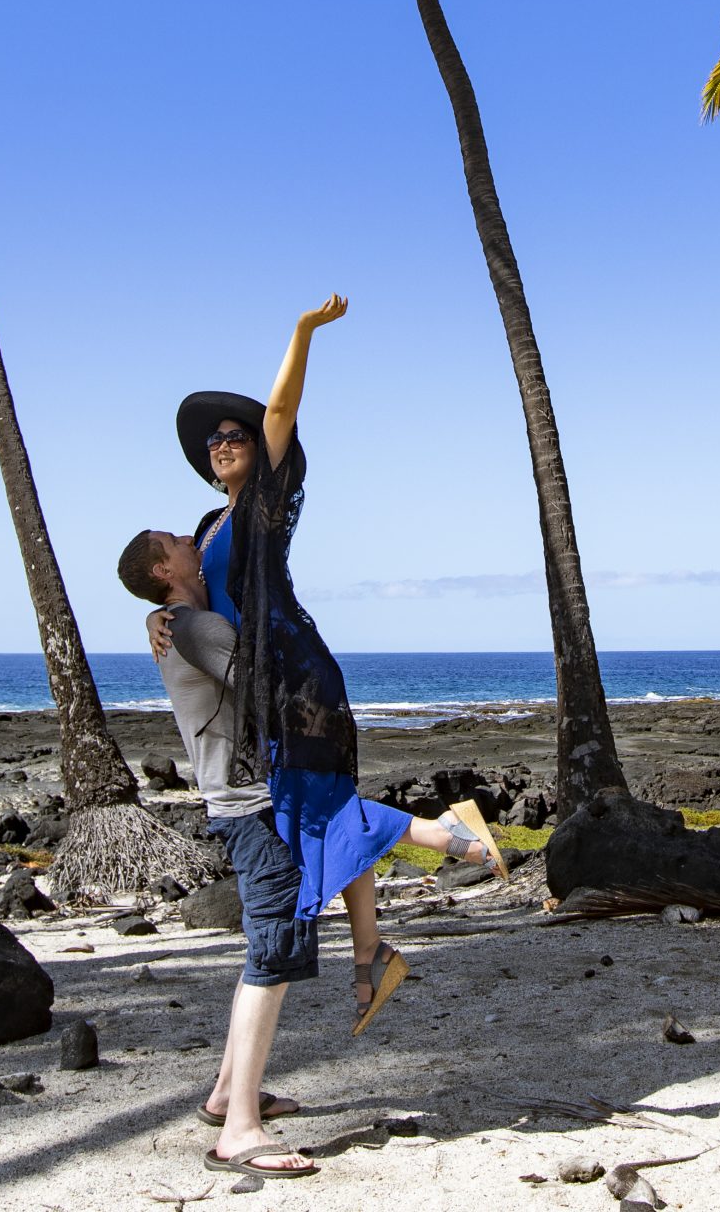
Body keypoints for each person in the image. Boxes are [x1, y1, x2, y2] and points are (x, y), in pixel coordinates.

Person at [173, 294, 508, 1034]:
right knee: (322, 814)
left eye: (234, 434)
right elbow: (190, 603)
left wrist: (300, 332)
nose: (222, 444)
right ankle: (371, 955)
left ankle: (450, 839)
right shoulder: (205, 525)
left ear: (259, 449)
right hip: (260, 690)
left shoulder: (265, 501)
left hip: (300, 678)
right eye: (212, 442)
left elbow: (282, 411)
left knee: (313, 809)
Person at [114, 527, 320, 1180]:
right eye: (175, 540)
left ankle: (230, 1094)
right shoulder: (192, 626)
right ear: (162, 566)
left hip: (240, 802)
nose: (186, 538)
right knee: (274, 948)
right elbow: (262, 687)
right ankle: (239, 1133)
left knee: (269, 943)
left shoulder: (177, 622)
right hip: (251, 805)